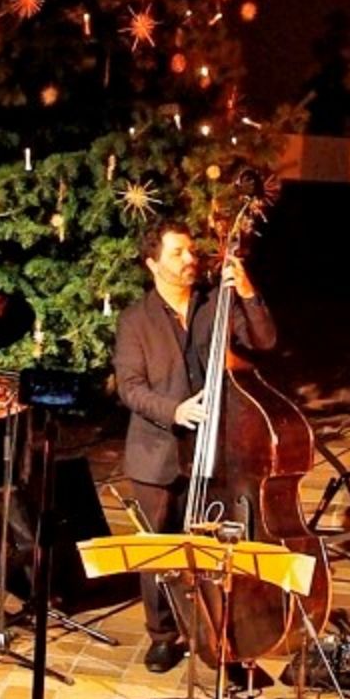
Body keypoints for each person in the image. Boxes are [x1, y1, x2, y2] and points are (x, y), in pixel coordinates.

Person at [111, 220, 276, 674]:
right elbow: (130, 387)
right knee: (159, 551)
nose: (190, 260)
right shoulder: (135, 320)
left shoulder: (215, 303)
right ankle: (163, 635)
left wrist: (246, 290)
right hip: (157, 452)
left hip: (218, 448)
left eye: (191, 251)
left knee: (213, 549)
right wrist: (176, 411)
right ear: (152, 264)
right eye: (177, 253)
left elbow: (264, 340)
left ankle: (216, 630)